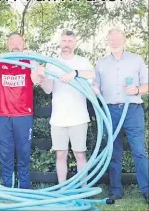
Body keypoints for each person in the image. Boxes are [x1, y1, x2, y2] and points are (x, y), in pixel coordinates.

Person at [93, 28, 149, 203]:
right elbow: (96, 88)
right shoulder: (101, 63)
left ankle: (146, 190)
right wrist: (95, 89)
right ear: (108, 41)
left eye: (118, 39)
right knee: (113, 152)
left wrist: (138, 89)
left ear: (124, 40)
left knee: (139, 152)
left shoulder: (136, 59)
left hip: (132, 110)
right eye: (111, 39)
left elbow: (147, 85)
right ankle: (116, 190)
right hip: (111, 112)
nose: (114, 42)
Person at [0, 32, 44, 189]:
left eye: (19, 42)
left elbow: (36, 80)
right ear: (7, 44)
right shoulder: (1, 61)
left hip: (23, 115)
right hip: (3, 115)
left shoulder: (28, 61)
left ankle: (23, 187)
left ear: (23, 45)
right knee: (5, 153)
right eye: (12, 42)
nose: (15, 45)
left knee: (24, 152)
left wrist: (32, 61)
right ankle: (8, 187)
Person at [40, 30, 95, 184]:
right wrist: (42, 78)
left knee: (80, 154)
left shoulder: (82, 61)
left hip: (78, 117)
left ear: (75, 43)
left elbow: (93, 74)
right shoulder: (52, 63)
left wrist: (74, 73)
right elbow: (48, 89)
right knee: (60, 154)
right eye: (64, 40)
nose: (66, 44)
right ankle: (63, 189)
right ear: (60, 42)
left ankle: (83, 190)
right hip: (58, 119)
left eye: (70, 41)